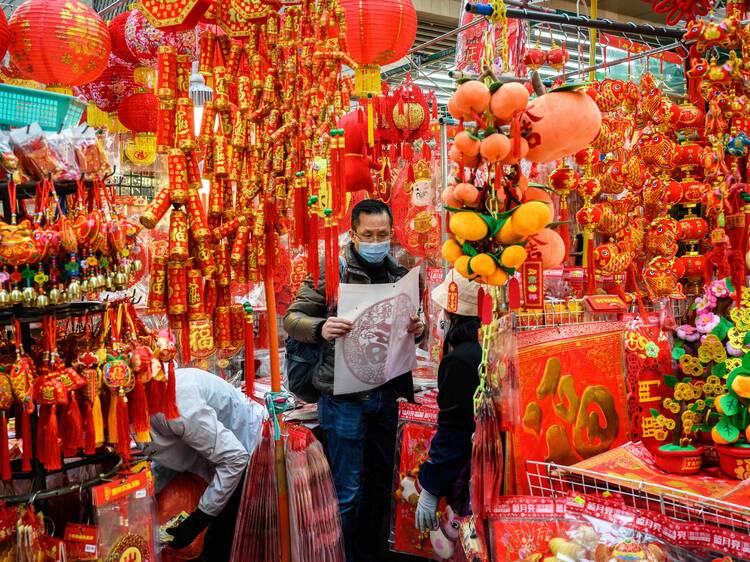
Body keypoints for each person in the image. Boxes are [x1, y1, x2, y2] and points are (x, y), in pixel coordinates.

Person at [284, 199, 425, 562]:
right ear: (354, 234)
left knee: (380, 484)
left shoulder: (399, 273)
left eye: (383, 234)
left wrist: (418, 329)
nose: (376, 241)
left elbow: (409, 332)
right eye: (368, 235)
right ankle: (341, 555)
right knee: (346, 490)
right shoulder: (333, 268)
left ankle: (372, 552)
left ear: (391, 233)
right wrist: (321, 327)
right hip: (343, 398)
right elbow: (293, 318)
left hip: (385, 394)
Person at [141, 367, 266, 562]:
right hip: (217, 458)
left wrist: (199, 519)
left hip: (249, 452)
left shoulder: (176, 403)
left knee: (221, 542)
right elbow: (164, 451)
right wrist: (140, 500)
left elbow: (235, 458)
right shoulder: (146, 401)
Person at [415, 271, 482, 533]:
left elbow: (454, 429)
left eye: (443, 310)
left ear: (453, 314)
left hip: (474, 473)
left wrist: (431, 488)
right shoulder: (484, 345)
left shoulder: (461, 359)